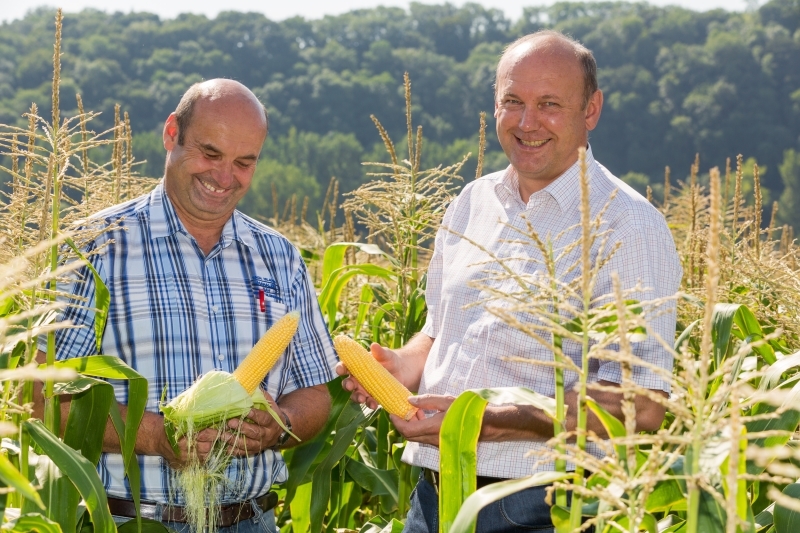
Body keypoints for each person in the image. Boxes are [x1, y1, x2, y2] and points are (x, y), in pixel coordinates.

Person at [337, 30, 682, 532]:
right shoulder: (470, 203)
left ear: (591, 110)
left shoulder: (627, 227)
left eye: (549, 105)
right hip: (430, 498)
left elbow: (642, 404)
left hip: (539, 508)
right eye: (512, 102)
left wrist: (499, 419)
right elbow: (439, 334)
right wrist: (399, 367)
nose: (527, 122)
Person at [37, 79, 339, 533]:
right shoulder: (93, 248)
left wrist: (280, 424)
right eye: (211, 154)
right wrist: (159, 437)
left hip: (254, 520)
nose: (224, 177)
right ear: (171, 134)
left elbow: (316, 392)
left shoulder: (280, 257)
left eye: (244, 162)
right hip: (133, 522)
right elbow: (42, 400)